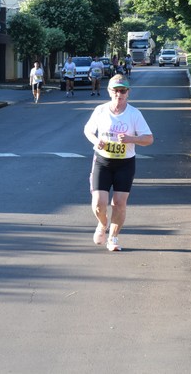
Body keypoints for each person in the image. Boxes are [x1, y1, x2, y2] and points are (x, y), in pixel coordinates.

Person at [83, 74, 154, 251]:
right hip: (102, 161)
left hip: (125, 163)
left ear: (128, 93)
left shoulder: (134, 114)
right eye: (115, 90)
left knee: (119, 203)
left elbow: (149, 139)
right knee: (99, 203)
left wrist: (131, 138)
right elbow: (88, 130)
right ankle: (102, 224)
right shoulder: (100, 110)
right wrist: (95, 141)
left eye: (122, 91)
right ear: (109, 92)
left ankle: (113, 238)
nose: (119, 94)